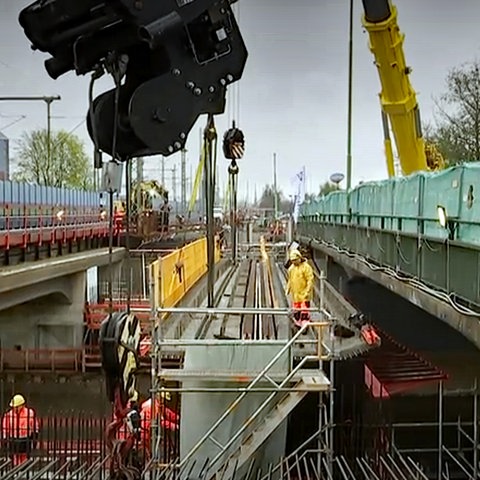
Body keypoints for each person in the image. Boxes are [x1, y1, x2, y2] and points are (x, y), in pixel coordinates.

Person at [1, 394, 39, 466]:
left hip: (25, 438)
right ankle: (16, 470)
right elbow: (5, 428)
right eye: (14, 407)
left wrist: (35, 437)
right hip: (14, 439)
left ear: (22, 405)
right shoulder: (9, 415)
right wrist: (5, 439)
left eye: (16, 407)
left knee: (24, 458)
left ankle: (23, 470)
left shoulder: (30, 413)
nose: (15, 409)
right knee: (15, 458)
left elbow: (34, 426)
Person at [140, 391, 179, 457]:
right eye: (163, 399)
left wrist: (179, 418)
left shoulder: (158, 404)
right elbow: (159, 421)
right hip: (147, 432)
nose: (164, 401)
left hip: (152, 431)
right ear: (159, 397)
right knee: (149, 453)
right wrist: (173, 426)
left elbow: (167, 412)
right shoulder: (152, 406)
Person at [286, 249, 314, 329]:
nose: (294, 262)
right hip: (296, 294)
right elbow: (290, 279)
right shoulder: (291, 269)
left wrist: (307, 291)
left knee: (304, 310)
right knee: (297, 310)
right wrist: (288, 288)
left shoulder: (306, 268)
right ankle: (298, 323)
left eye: (295, 260)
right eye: (292, 260)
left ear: (299, 258)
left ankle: (305, 324)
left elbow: (310, 280)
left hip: (304, 294)